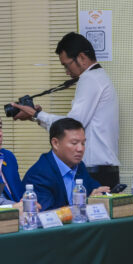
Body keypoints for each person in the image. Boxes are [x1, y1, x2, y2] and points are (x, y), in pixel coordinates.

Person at [11, 32, 119, 188]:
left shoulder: (90, 79)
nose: (67, 72)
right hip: (103, 170)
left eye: (66, 65)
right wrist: (36, 116)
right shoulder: (99, 77)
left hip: (94, 172)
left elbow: (72, 126)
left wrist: (36, 114)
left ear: (81, 57)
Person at [22, 118, 109, 211]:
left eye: (83, 143)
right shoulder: (40, 174)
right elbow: (47, 214)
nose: (80, 149)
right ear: (55, 143)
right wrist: (86, 205)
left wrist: (99, 194)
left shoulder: (79, 166)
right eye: (74, 143)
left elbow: (95, 189)